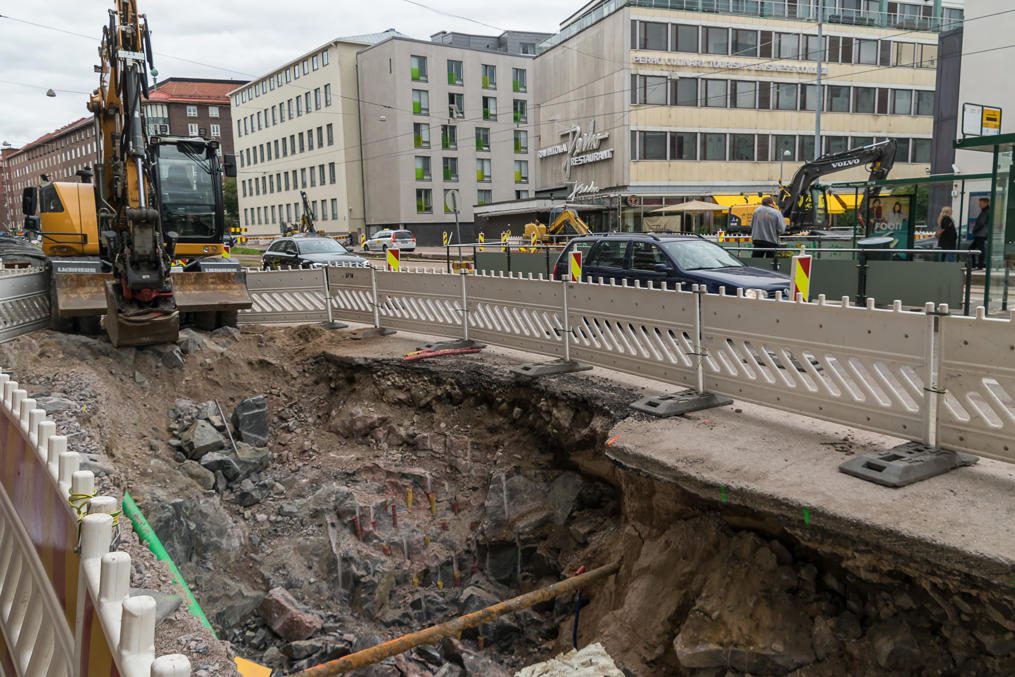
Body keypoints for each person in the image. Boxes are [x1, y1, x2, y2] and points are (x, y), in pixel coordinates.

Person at [971, 197, 990, 269]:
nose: (980, 205)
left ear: (986, 203)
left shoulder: (985, 212)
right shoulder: (985, 211)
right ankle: (977, 265)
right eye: (979, 203)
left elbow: (981, 222)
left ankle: (979, 265)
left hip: (980, 234)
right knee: (973, 249)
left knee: (978, 249)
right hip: (981, 234)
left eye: (981, 203)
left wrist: (975, 230)